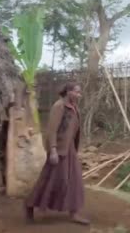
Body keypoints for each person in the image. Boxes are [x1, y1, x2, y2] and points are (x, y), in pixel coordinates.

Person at [24, 81, 89, 225]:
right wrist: (53, 150)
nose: (79, 95)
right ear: (68, 92)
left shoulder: (73, 106)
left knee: (74, 180)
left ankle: (74, 213)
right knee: (51, 180)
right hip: (58, 150)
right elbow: (51, 130)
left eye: (79, 92)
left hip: (69, 148)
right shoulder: (59, 107)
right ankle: (30, 205)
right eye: (77, 92)